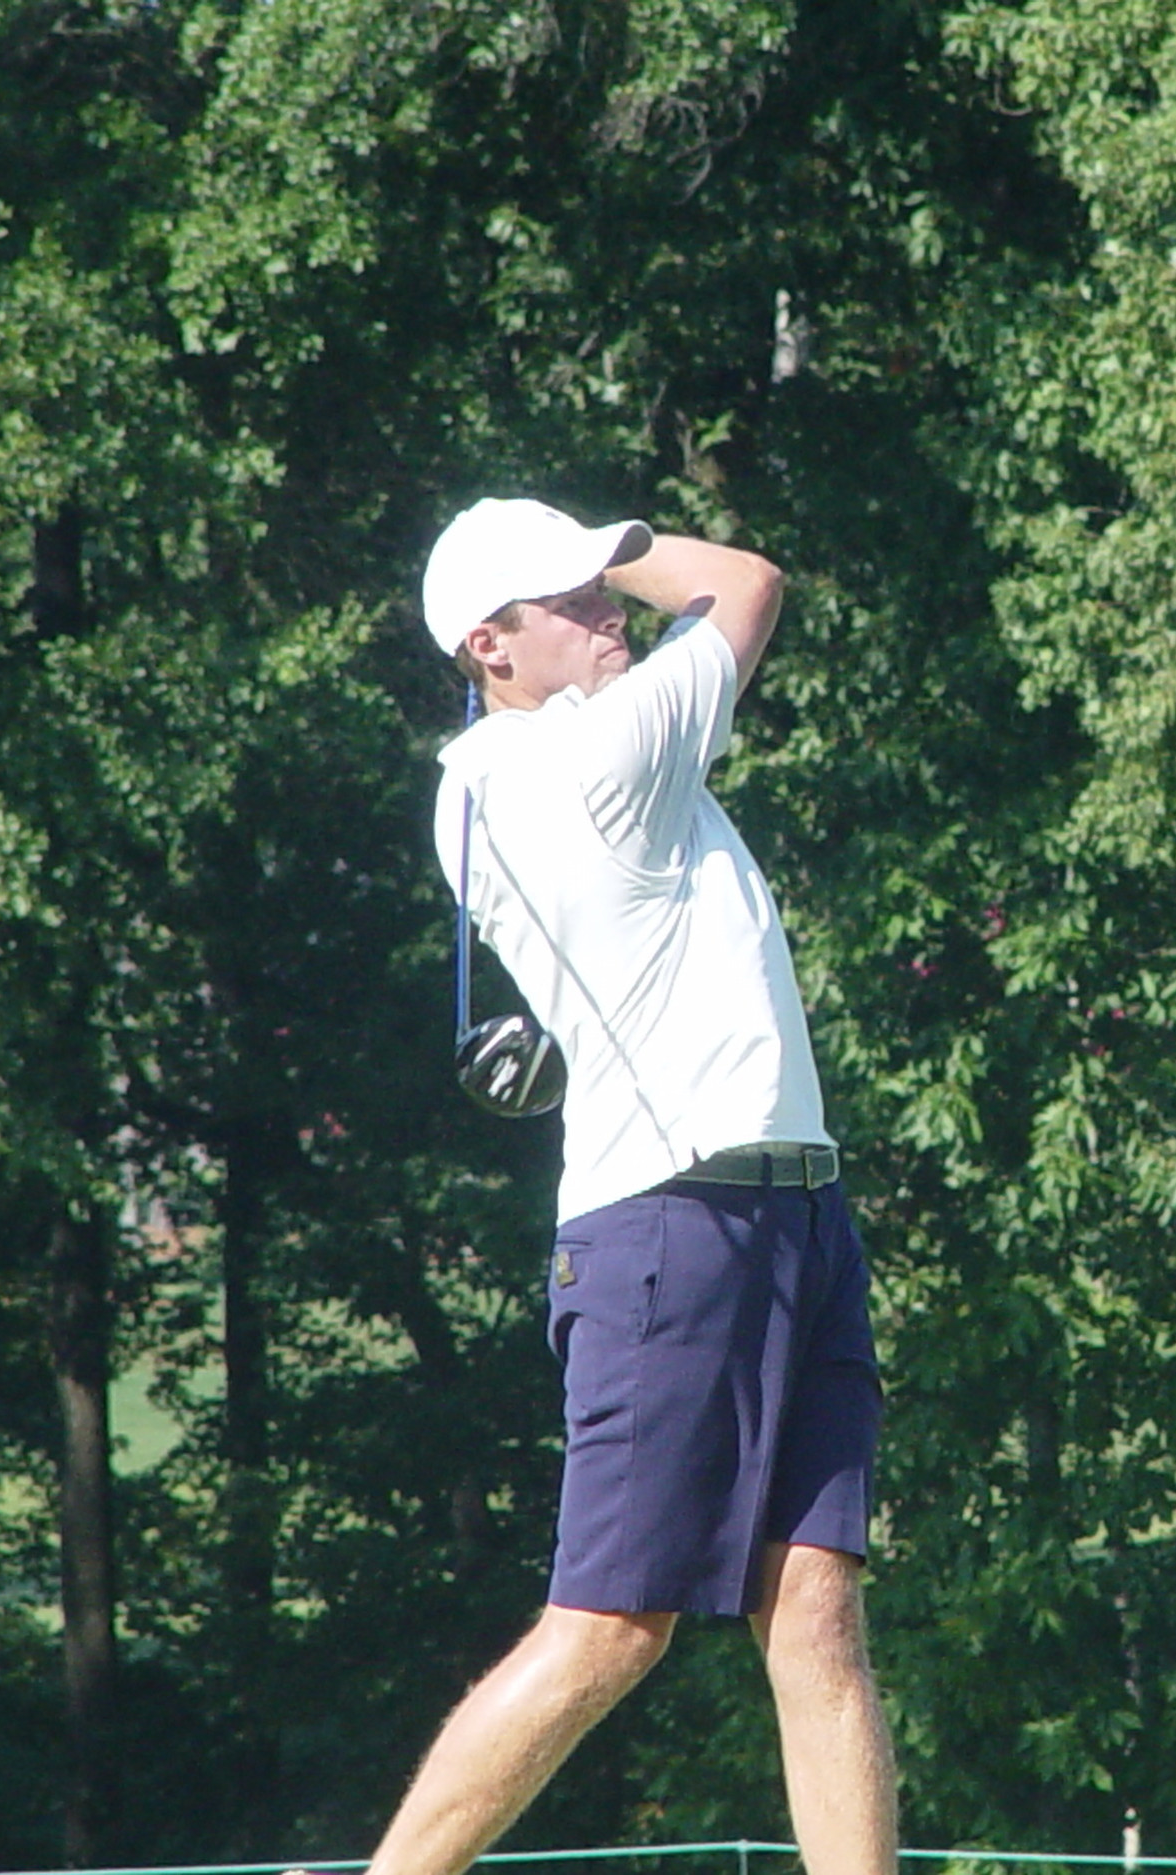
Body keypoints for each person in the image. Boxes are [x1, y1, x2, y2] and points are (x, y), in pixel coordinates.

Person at [361, 497, 895, 1875]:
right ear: (490, 645)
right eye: (572, 598)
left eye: (598, 587)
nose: (608, 611)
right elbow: (747, 582)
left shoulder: (486, 777)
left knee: (816, 1613)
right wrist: (614, 539)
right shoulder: (599, 754)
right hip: (676, 1225)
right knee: (607, 1630)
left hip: (788, 1209)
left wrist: (571, 567)